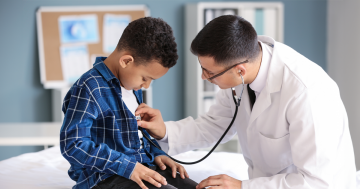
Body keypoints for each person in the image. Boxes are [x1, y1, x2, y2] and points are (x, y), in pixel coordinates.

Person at [135, 15, 357, 189]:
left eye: (209, 72)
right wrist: (164, 131)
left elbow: (318, 183)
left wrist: (243, 186)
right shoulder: (241, 71)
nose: (204, 77)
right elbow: (214, 124)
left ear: (240, 70)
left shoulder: (306, 93)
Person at [60, 17, 200, 189]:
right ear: (126, 61)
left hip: (141, 166)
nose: (146, 86)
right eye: (145, 78)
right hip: (106, 176)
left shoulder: (131, 84)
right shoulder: (89, 86)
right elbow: (73, 145)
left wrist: (156, 153)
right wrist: (128, 167)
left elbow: (135, 137)